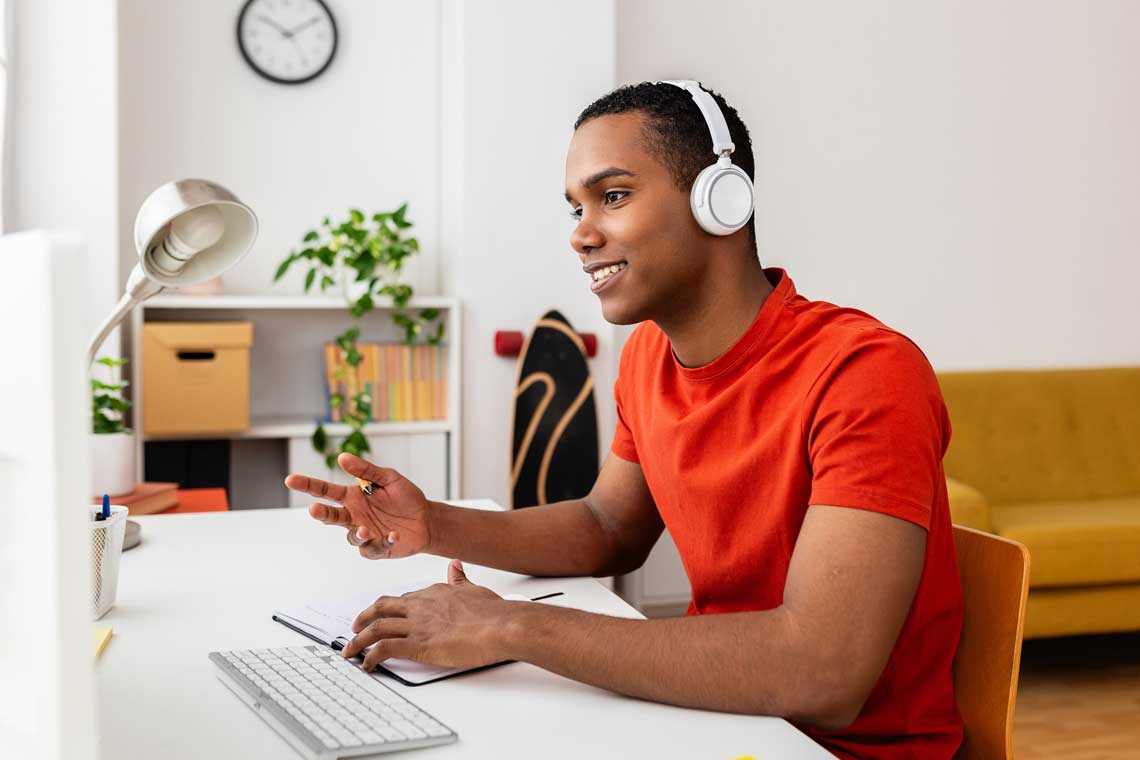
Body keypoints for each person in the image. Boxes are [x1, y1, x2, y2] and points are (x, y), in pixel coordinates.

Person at [285, 81, 963, 759]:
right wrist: (432, 524)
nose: (581, 235)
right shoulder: (647, 359)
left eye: (613, 196)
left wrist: (509, 626)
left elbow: (822, 672)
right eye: (576, 208)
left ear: (720, 201)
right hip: (716, 719)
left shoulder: (865, 373)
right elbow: (607, 529)